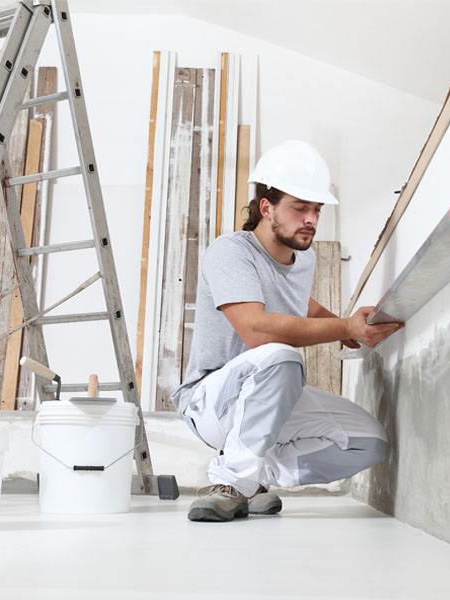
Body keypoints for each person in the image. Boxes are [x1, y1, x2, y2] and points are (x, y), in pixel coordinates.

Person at [170, 139, 402, 522]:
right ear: (267, 207)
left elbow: (300, 303)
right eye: (299, 208)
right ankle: (229, 481)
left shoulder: (302, 259)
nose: (311, 218)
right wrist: (342, 326)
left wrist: (347, 328)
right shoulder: (232, 251)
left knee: (368, 443)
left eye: (316, 209)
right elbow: (257, 331)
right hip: (211, 402)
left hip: (270, 394)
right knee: (281, 355)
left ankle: (252, 475)